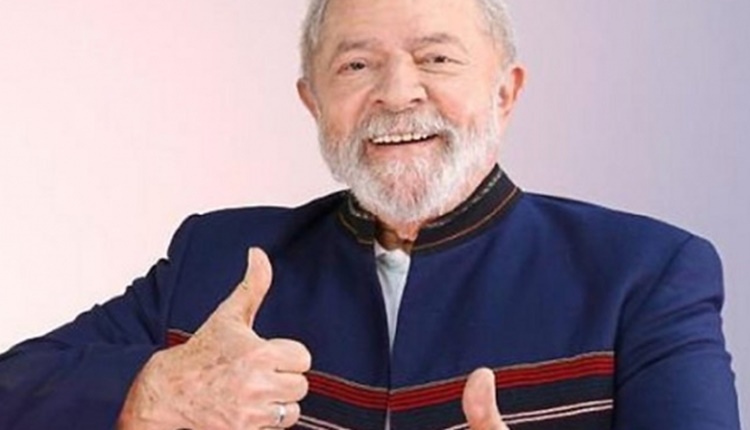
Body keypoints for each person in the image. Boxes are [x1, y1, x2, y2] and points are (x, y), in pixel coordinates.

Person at [0, 0, 741, 428]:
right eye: (356, 65)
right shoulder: (217, 258)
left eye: (437, 59)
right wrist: (153, 395)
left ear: (506, 93)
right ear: (313, 103)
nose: (397, 93)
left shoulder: (644, 275)